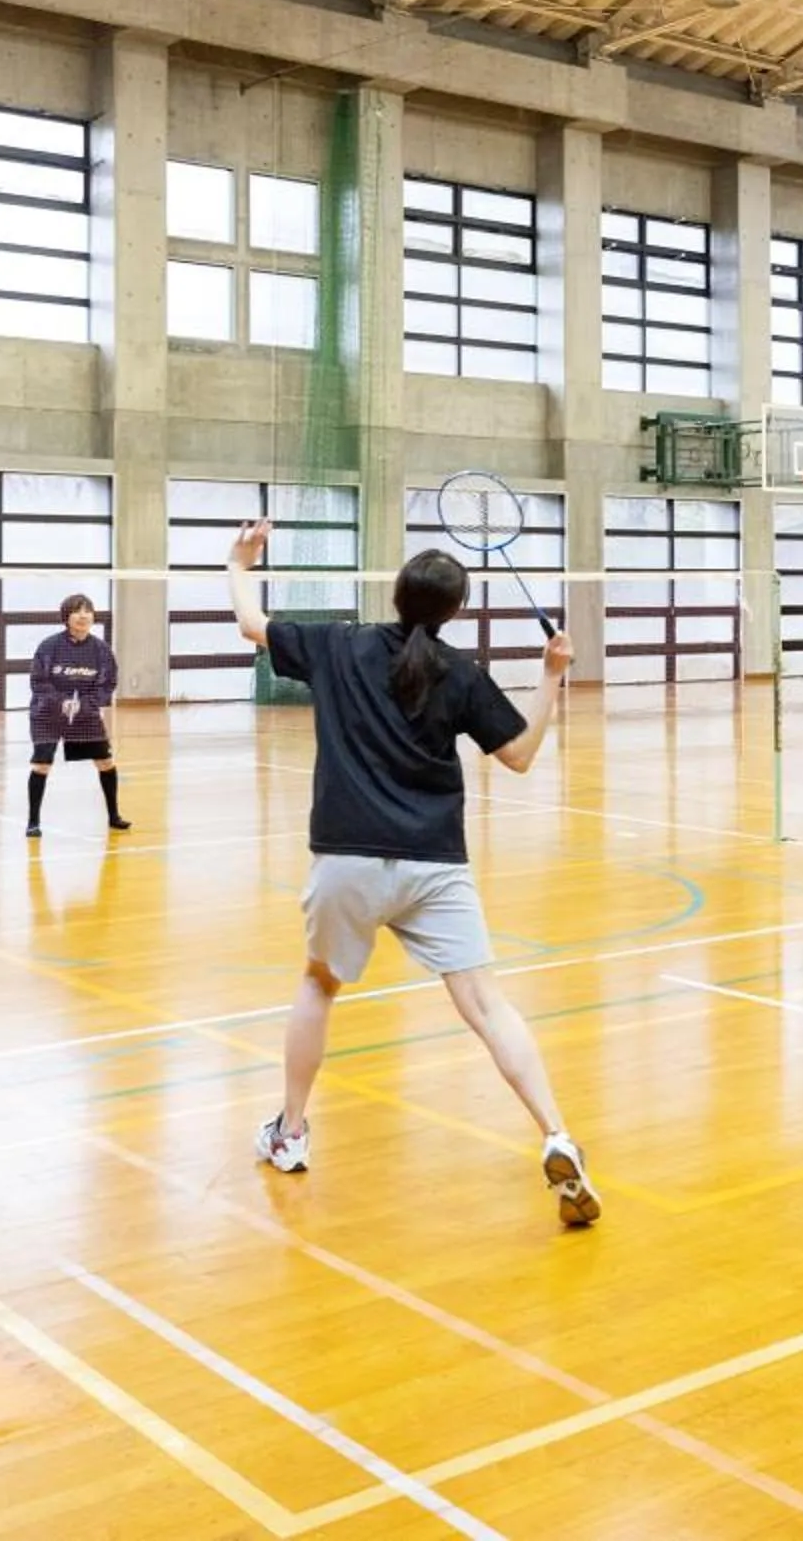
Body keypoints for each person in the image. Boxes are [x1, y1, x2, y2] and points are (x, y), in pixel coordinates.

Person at [226, 518, 601, 1229]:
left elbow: (251, 623)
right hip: (435, 863)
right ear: (454, 612)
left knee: (318, 984)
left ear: (395, 595)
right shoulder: (460, 673)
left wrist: (241, 561)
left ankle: (292, 1133)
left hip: (347, 859)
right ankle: (556, 1132)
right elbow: (518, 757)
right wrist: (551, 681)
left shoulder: (339, 644)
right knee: (487, 1006)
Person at [26, 594, 131, 838]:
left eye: (87, 611)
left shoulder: (101, 650)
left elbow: (108, 683)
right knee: (42, 764)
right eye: (77, 611)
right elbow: (38, 681)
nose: (83, 615)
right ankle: (33, 822)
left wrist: (86, 705)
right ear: (67, 617)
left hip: (84, 714)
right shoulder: (49, 647)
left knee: (105, 762)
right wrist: (61, 703)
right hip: (48, 714)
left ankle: (114, 816)